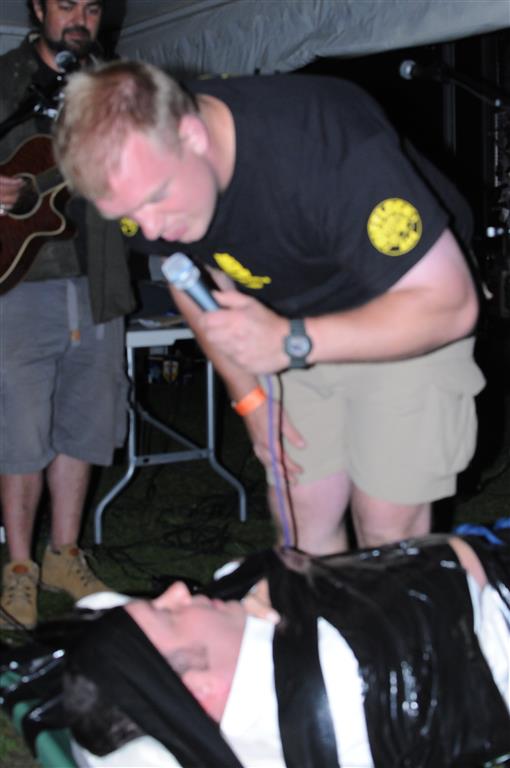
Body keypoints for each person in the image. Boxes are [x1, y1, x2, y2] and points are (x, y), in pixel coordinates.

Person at [54, 60, 485, 555]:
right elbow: (187, 277)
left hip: (402, 309)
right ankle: (316, 610)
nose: (149, 228)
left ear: (192, 135)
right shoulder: (144, 180)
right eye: (128, 214)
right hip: (286, 318)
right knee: (301, 525)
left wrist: (291, 341)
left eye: (157, 199)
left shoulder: (325, 142)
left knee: (387, 534)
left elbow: (450, 304)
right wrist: (251, 399)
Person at [62, 527, 510, 768]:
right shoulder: (342, 667)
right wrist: (301, 587)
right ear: (200, 688)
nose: (178, 591)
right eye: (169, 615)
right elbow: (455, 559)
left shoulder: (202, 728)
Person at [0, 1, 135, 629]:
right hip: (19, 281)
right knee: (20, 428)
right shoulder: (6, 80)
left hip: (99, 275)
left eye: (91, 5)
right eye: (65, 4)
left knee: (85, 417)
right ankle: (19, 568)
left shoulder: (117, 83)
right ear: (37, 7)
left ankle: (64, 555)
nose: (80, 17)